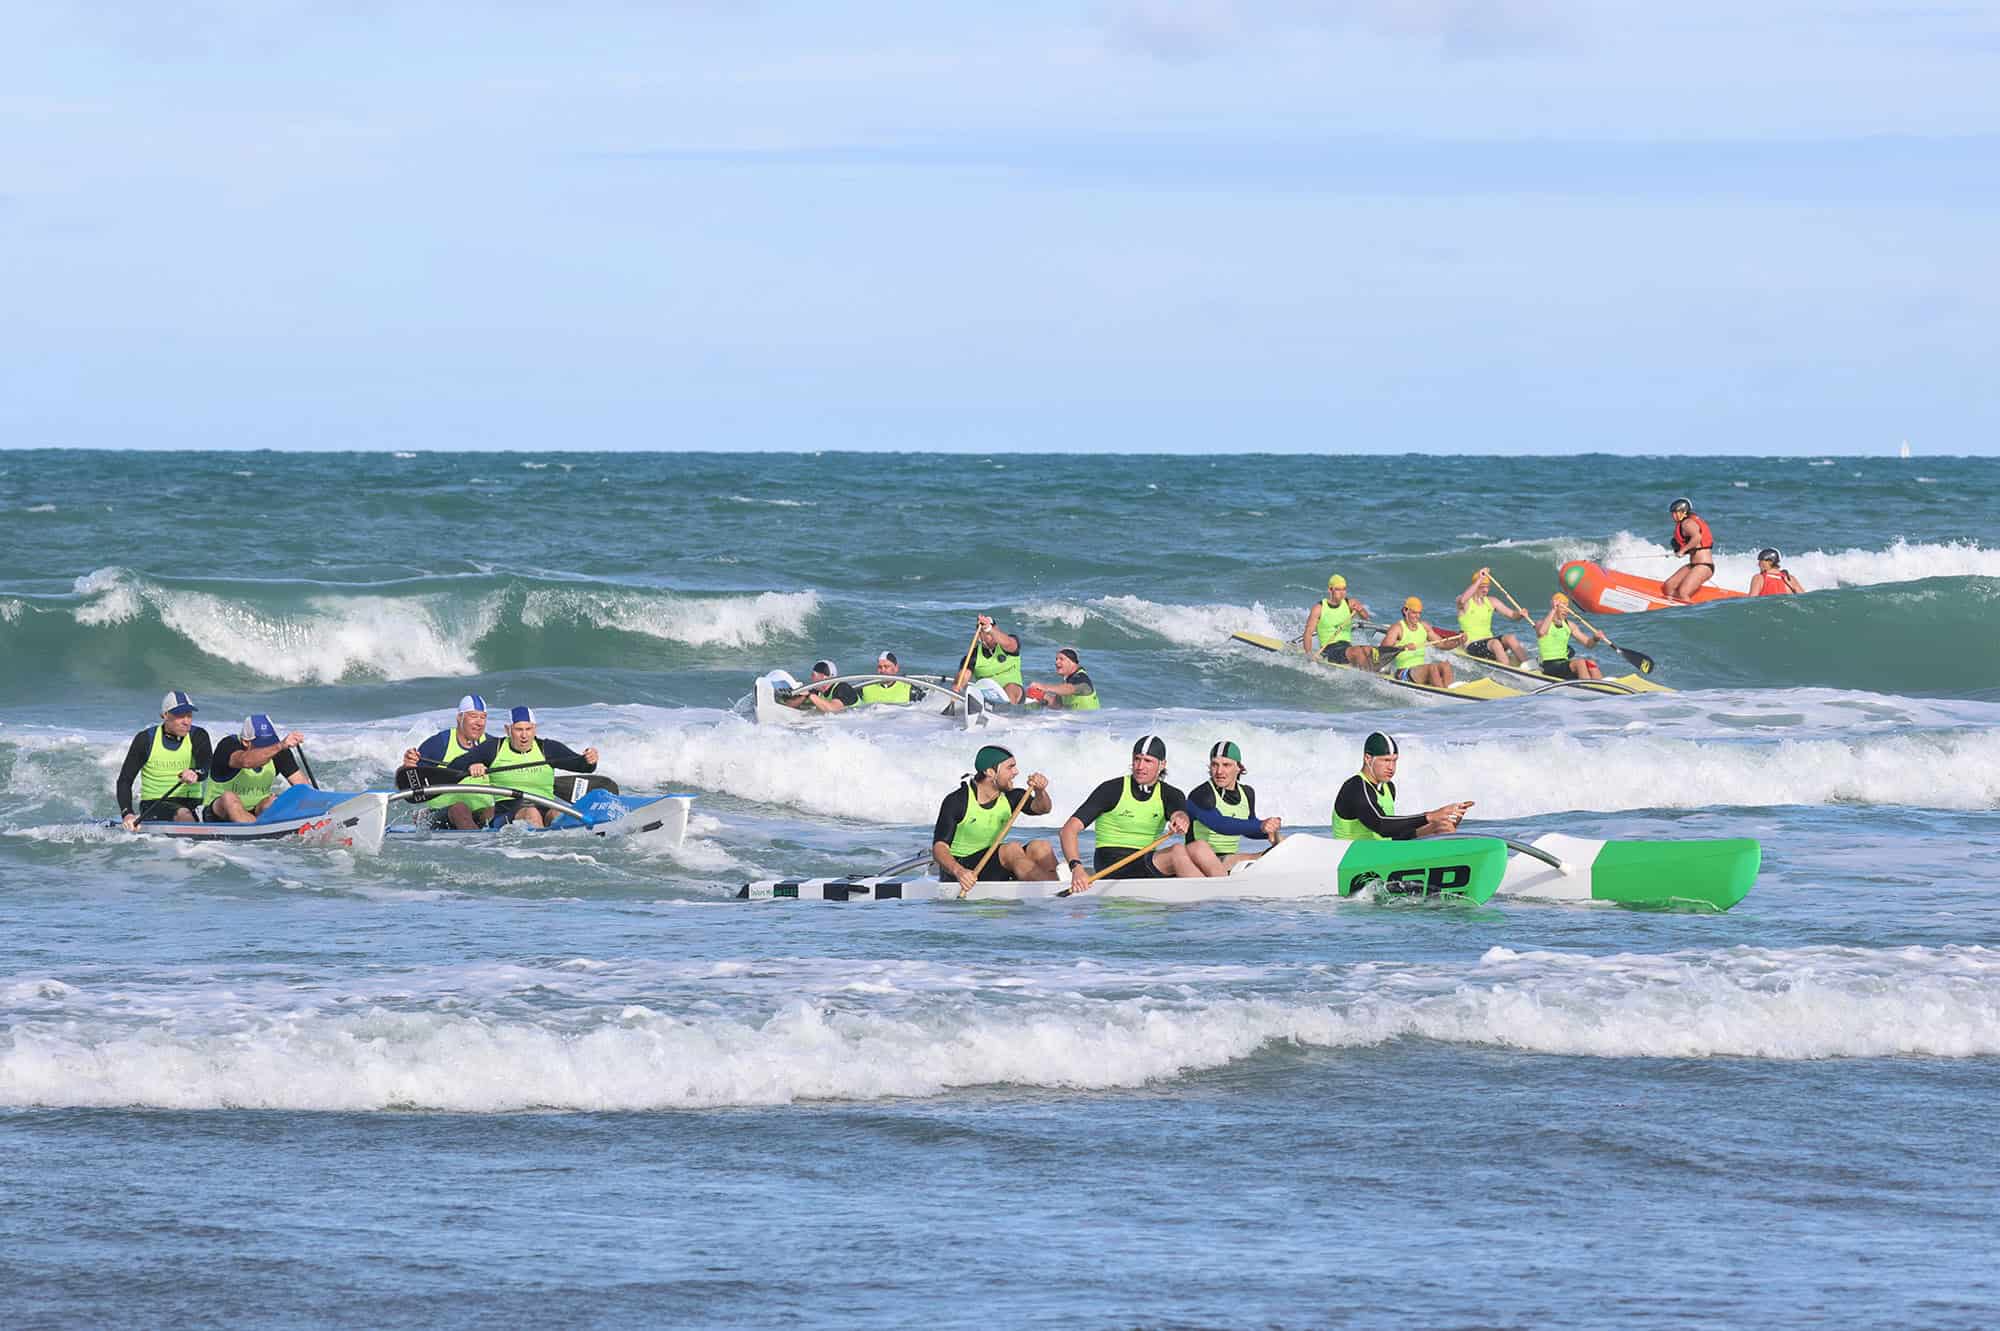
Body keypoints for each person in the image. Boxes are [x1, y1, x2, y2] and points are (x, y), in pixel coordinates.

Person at [1059, 735, 1206, 891]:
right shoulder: (1111, 790)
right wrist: (1076, 868)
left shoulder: (1171, 794)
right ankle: (1209, 905)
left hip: (1146, 862)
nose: (1140, 766)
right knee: (1176, 851)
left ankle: (1216, 893)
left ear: (1162, 764)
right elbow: (1068, 830)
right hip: (1111, 864)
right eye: (1137, 759)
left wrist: (1181, 819)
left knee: (1199, 847)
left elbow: (1178, 813)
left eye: (1148, 761)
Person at [930, 744, 1057, 890]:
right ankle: (1052, 889)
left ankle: (1055, 889)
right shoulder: (958, 801)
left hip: (991, 865)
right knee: (1011, 849)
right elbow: (939, 848)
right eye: (1010, 767)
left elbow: (1043, 808)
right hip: (962, 872)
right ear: (990, 772)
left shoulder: (1012, 797)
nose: (1016, 772)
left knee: (1041, 847)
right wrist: (959, 872)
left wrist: (1040, 791)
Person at [461, 706, 602, 829]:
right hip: (507, 811)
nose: (524, 735)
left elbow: (583, 766)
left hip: (545, 805)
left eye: (528, 729)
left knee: (558, 815)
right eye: (518, 729)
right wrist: (472, 765)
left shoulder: (548, 749)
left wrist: (591, 759)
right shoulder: (493, 748)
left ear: (535, 729)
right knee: (531, 813)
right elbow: (456, 765)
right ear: (508, 730)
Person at [1332, 732, 1474, 841]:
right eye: (1386, 760)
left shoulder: (1388, 787)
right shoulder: (1356, 787)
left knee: (1442, 826)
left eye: (1394, 761)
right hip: (1353, 860)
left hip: (1381, 854)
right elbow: (1381, 825)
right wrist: (1430, 816)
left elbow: (1388, 837)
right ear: (1368, 758)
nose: (1391, 768)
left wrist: (1433, 826)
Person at [116, 690, 214, 829]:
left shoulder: (198, 735)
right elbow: (125, 780)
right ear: (165, 715)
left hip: (193, 803)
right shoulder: (145, 739)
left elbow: (206, 766)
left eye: (189, 716)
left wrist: (195, 773)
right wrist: (128, 814)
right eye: (180, 716)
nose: (187, 722)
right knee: (184, 815)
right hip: (154, 805)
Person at [1183, 740, 1283, 874]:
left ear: (1239, 768)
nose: (1219, 771)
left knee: (1280, 851)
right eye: (1214, 765)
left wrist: (1270, 831)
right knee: (1260, 859)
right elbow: (1220, 824)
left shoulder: (1247, 793)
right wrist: (1261, 825)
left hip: (1229, 859)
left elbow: (1248, 828)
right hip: (1198, 860)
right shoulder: (1201, 794)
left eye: (1226, 765)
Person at [399, 693, 497, 829]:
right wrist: (408, 766)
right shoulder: (439, 744)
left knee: (501, 810)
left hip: (479, 815)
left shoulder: (492, 745)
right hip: (442, 815)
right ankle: (480, 846)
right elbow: (410, 785)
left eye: (483, 717)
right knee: (460, 808)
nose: (479, 722)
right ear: (459, 718)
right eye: (473, 716)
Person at [205, 713, 313, 822]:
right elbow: (245, 761)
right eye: (262, 744)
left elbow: (302, 785)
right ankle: (255, 830)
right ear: (246, 742)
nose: (268, 748)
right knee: (229, 798)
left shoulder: (279, 752)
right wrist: (279, 746)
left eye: (270, 742)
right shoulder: (228, 745)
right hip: (219, 813)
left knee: (275, 800)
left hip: (257, 811)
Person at [1375, 597, 1464, 687]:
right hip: (1403, 672)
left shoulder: (1424, 626)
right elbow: (1382, 651)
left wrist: (1458, 642)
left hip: (1420, 670)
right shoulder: (1397, 628)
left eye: (1419, 613)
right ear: (1406, 611)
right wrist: (1403, 647)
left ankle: (1449, 691)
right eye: (1414, 612)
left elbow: (1442, 644)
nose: (1417, 616)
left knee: (1445, 665)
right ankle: (1444, 694)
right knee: (1432, 667)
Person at [1456, 568, 1530, 667]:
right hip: (1472, 645)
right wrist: (1480, 579)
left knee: (1510, 638)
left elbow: (1512, 615)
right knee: (1495, 643)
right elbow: (1462, 600)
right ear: (1475, 586)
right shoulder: (1465, 603)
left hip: (1488, 644)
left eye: (1487, 587)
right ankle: (1507, 670)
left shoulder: (1491, 601)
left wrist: (1520, 614)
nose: (1485, 590)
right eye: (1482, 587)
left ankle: (1529, 666)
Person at [1303, 574, 1376, 667]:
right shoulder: (1319, 608)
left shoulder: (1350, 603)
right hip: (1329, 650)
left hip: (1346, 647)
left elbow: (1366, 618)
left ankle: (1372, 669)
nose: (1342, 593)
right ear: (1330, 590)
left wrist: (1360, 610)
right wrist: (1309, 654)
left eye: (1344, 589)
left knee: (1369, 650)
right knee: (1358, 651)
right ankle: (1368, 669)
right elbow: (1308, 633)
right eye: (1338, 589)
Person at [953, 615, 1025, 703]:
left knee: (1010, 687)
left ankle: (1007, 711)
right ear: (979, 635)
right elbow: (964, 675)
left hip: (1015, 694)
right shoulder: (973, 655)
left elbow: (1010, 643)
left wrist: (989, 629)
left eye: (994, 629)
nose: (992, 634)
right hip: (988, 696)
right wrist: (958, 685)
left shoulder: (1008, 644)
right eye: (986, 632)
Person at [1534, 593, 1605, 681]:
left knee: (1591, 663)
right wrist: (1553, 610)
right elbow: (1541, 632)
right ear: (1555, 607)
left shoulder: (1570, 625)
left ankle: (1603, 689)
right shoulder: (1540, 623)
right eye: (1562, 607)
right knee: (1580, 662)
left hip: (1564, 664)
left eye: (1567, 608)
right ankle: (1586, 689)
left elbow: (1588, 644)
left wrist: (1595, 638)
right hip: (1548, 665)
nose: (1566, 611)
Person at [1662, 497, 1716, 601]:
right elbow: (1694, 545)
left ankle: (1688, 611)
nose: (1672, 515)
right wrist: (1680, 550)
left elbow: (1697, 538)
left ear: (1682, 512)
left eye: (1674, 512)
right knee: (1669, 586)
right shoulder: (1684, 524)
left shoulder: (1687, 523)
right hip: (1694, 565)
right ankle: (1671, 607)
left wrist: (1682, 551)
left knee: (1683, 592)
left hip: (1704, 566)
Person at [1025, 647, 1100, 710]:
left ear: (1072, 662)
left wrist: (1044, 687)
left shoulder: (1081, 678)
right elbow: (1057, 704)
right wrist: (1041, 697)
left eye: (1061, 659)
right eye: (1056, 659)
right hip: (1076, 723)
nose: (1056, 662)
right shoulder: (1066, 682)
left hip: (1090, 724)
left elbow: (1071, 689)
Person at [781, 659, 862, 713]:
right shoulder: (816, 690)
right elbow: (789, 705)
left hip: (861, 718)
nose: (811, 678)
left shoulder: (843, 688)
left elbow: (832, 710)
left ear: (823, 677)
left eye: (814, 675)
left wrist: (810, 695)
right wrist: (802, 696)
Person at [854, 652, 928, 706]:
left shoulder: (909, 689)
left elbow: (930, 705)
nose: (882, 670)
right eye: (880, 667)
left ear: (896, 668)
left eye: (886, 667)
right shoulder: (864, 687)